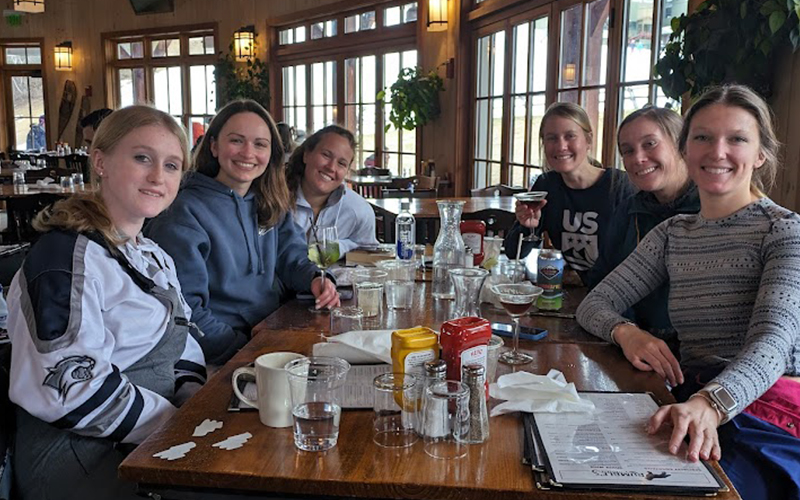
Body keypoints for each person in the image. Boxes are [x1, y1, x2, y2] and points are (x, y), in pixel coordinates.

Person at [577, 84, 800, 500]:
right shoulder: (674, 232)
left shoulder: (784, 231)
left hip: (765, 412)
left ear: (761, 154)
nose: (717, 152)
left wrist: (710, 405)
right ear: (686, 149)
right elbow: (595, 304)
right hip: (689, 398)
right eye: (702, 137)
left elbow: (774, 341)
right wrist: (627, 332)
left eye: (736, 139)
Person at [7, 105, 206, 500]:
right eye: (142, 158)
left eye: (171, 166)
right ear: (100, 161)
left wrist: (194, 397)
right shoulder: (63, 258)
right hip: (80, 459)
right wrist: (179, 423)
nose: (157, 177)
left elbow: (183, 341)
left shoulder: (150, 254)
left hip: (148, 438)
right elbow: (69, 390)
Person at [146, 100, 339, 366]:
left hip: (272, 332)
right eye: (236, 140)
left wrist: (315, 280)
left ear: (272, 153)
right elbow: (187, 311)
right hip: (223, 354)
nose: (248, 153)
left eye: (260, 144)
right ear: (213, 146)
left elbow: (291, 256)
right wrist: (248, 351)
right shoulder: (183, 212)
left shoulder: (267, 198)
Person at [583, 107, 701, 355]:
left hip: (704, 362)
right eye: (628, 151)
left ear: (682, 145)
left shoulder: (710, 209)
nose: (638, 158)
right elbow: (602, 280)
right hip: (635, 349)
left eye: (650, 144)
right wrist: (627, 330)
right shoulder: (629, 211)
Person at [503, 102, 633, 280]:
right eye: (552, 138)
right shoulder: (546, 185)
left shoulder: (620, 186)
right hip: (574, 294)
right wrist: (526, 228)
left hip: (620, 295)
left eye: (570, 136)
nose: (561, 146)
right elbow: (513, 253)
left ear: (588, 140)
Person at [286, 125, 378, 256]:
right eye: (326, 155)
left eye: (341, 163)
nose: (331, 167)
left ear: (346, 171)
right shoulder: (274, 199)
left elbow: (369, 256)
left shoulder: (359, 211)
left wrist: (339, 248)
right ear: (306, 155)